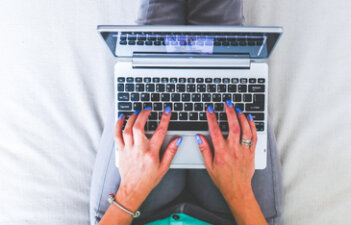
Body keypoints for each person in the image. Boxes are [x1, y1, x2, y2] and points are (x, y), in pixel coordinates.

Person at [90, 1, 282, 225]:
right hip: (239, 213)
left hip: (130, 212)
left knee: (153, 43)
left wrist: (130, 192)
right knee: (224, 45)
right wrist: (239, 192)